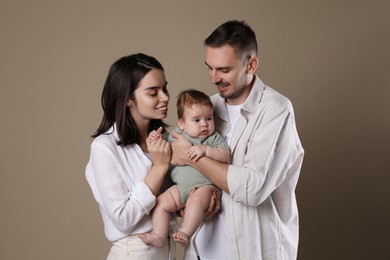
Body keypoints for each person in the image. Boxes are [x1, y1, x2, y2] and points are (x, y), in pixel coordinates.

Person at [170, 20, 305, 260]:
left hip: (254, 253)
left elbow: (252, 188)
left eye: (224, 70)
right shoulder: (206, 108)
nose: (214, 78)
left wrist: (191, 156)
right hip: (201, 252)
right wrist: (184, 200)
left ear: (250, 64)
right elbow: (176, 169)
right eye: (209, 68)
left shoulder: (276, 110)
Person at [85, 53, 176, 260]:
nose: (165, 97)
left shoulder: (167, 139)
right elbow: (123, 219)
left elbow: (174, 200)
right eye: (153, 92)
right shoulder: (104, 147)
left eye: (165, 88)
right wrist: (159, 168)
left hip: (168, 250)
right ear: (127, 99)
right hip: (134, 252)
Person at [139, 89, 230, 248]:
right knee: (160, 203)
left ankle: (186, 233)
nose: (204, 124)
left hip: (205, 187)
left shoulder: (212, 137)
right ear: (182, 123)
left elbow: (225, 155)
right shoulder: (176, 134)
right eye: (196, 120)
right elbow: (163, 149)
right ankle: (159, 235)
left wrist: (206, 150)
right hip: (181, 187)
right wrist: (155, 138)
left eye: (209, 118)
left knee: (195, 202)